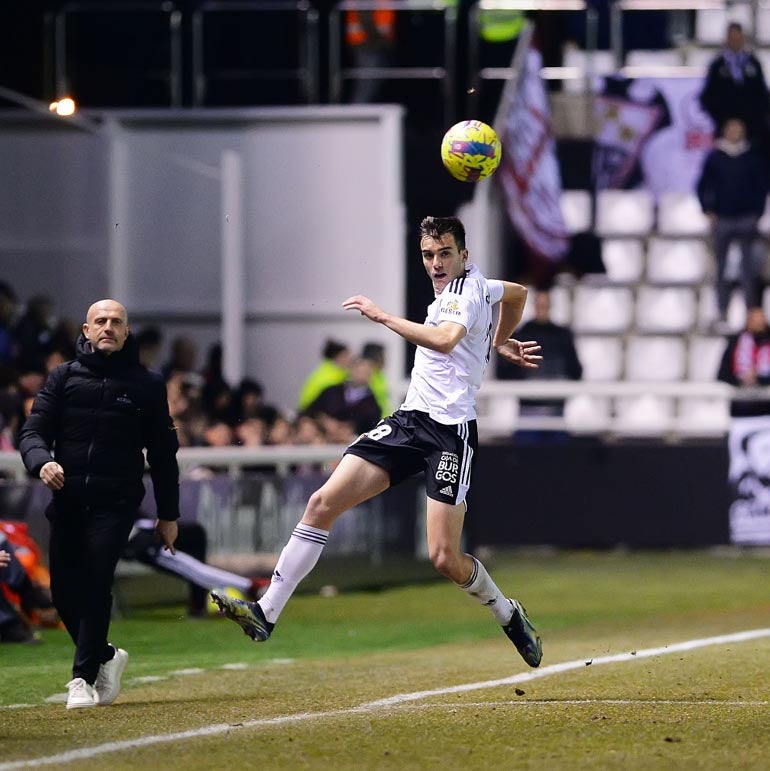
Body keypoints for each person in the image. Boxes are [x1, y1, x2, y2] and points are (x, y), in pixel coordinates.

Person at [213, 217, 545, 670]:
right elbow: (518, 294)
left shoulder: (466, 293)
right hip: (409, 422)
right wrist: (497, 341)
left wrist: (383, 316)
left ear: (465, 255)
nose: (436, 263)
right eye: (428, 255)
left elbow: (446, 340)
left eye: (445, 253)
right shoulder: (482, 287)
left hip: (449, 434)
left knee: (444, 557)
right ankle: (266, 612)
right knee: (321, 502)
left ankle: (508, 613)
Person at [18, 299, 180, 710]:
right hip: (68, 500)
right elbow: (32, 433)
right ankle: (106, 655)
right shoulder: (63, 378)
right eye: (100, 321)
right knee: (62, 591)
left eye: (116, 322)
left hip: (116, 501)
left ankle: (81, 678)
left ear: (127, 333)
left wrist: (168, 514)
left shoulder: (146, 384)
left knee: (95, 581)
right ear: (87, 331)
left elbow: (163, 453)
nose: (108, 327)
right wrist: (43, 462)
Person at [696, 117, 770, 327]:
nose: (735, 133)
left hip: (747, 218)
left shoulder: (752, 157)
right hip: (723, 218)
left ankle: (751, 312)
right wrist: (707, 209)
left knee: (749, 269)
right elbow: (702, 185)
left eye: (739, 129)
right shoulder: (715, 157)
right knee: (720, 269)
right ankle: (721, 310)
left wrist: (758, 212)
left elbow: (762, 186)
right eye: (731, 129)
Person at [124, 517, 267, 618]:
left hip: (141, 526)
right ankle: (250, 586)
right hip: (127, 538)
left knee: (195, 532)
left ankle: (198, 602)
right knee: (182, 562)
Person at [496, 289, 582, 430]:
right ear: (534, 306)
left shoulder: (562, 336)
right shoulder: (520, 335)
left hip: (556, 408)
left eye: (545, 305)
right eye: (539, 305)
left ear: (550, 307)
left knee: (556, 450)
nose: (542, 309)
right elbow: (504, 372)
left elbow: (575, 370)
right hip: (527, 408)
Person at [699, 23, 770, 148]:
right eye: (732, 38)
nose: (735, 42)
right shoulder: (717, 66)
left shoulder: (754, 63)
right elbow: (708, 96)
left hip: (751, 128)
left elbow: (762, 95)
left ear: (743, 39)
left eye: (738, 38)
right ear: (726, 40)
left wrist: (754, 120)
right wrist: (723, 121)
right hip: (723, 127)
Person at [297, 340, 351, 412]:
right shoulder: (329, 377)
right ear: (337, 357)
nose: (349, 359)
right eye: (346, 356)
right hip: (312, 413)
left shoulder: (331, 371)